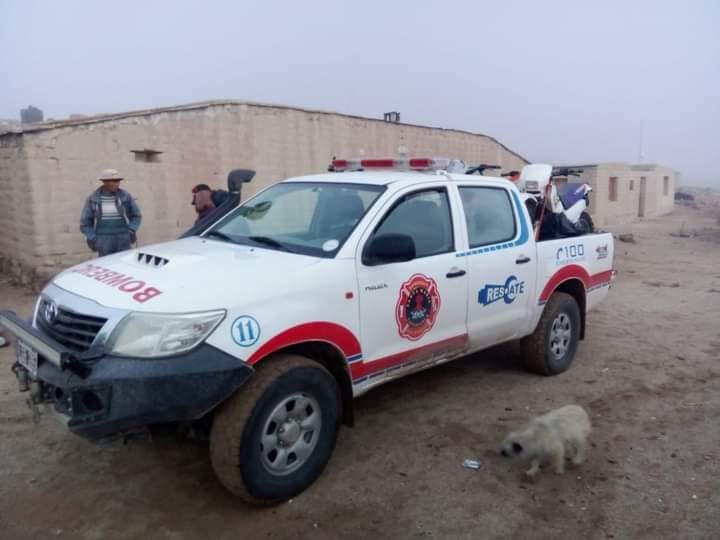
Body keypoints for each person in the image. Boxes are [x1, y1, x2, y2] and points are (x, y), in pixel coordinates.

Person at [80, 169, 141, 256]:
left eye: (118, 181)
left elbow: (136, 216)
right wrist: (93, 238)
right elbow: (85, 223)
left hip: (123, 237)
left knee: (123, 264)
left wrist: (131, 230)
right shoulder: (93, 198)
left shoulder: (125, 196)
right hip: (103, 239)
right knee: (106, 263)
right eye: (114, 181)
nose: (117, 183)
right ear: (104, 182)